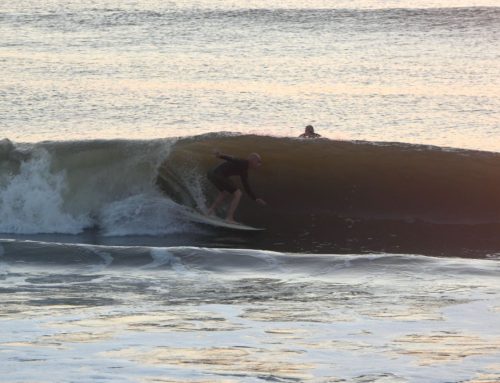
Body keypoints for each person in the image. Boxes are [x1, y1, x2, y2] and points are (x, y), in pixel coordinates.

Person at [206, 151, 266, 223]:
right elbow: (233, 158)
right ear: (253, 160)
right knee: (238, 193)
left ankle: (209, 211)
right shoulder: (244, 162)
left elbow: (246, 186)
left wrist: (255, 198)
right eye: (258, 162)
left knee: (224, 192)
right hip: (218, 174)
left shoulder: (244, 170)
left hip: (212, 174)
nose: (259, 164)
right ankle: (229, 217)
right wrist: (221, 155)